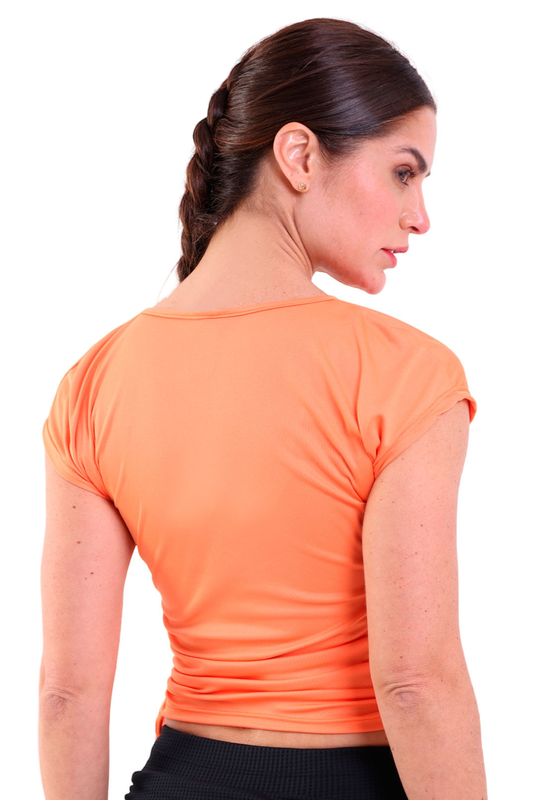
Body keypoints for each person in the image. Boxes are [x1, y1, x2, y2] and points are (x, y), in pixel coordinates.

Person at [39, 16, 488, 800]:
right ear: (300, 155)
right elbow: (417, 683)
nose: (420, 216)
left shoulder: (94, 382)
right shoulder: (405, 375)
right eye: (403, 173)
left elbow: (67, 695)